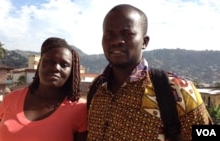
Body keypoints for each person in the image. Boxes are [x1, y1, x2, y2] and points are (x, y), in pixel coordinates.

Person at [86, 4, 212, 141]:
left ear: (144, 42)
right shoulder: (96, 88)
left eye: (127, 34)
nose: (117, 41)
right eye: (109, 35)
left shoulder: (178, 90)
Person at [0, 37, 87, 141]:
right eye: (50, 61)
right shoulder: (11, 98)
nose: (56, 68)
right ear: (40, 64)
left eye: (64, 65)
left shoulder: (79, 109)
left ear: (71, 71)